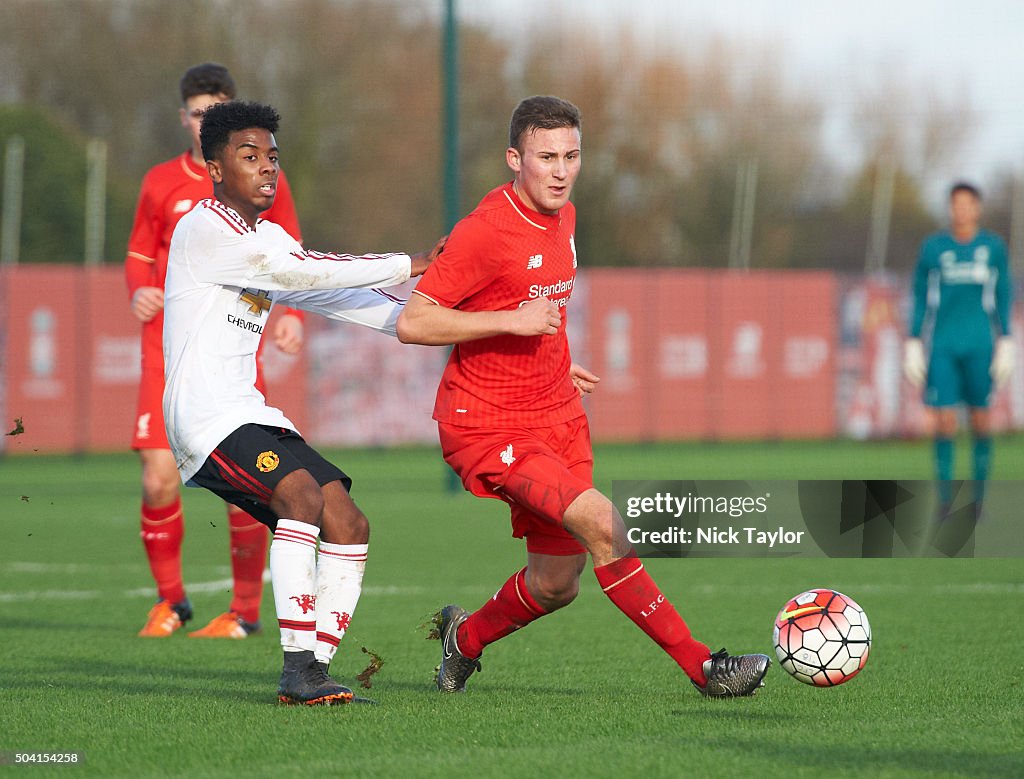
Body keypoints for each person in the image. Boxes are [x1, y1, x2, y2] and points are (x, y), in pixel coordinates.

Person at [396, 95, 770, 698]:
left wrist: (557, 364)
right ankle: (706, 668)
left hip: (557, 413)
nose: (562, 170)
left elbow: (546, 309)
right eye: (546, 157)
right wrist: (511, 324)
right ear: (514, 158)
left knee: (555, 584)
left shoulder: (565, 217)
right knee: (607, 525)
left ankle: (462, 641)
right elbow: (414, 321)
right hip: (489, 425)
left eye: (572, 156)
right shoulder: (484, 232)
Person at [163, 99, 442, 704]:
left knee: (348, 519)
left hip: (248, 412)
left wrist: (434, 323)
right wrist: (408, 262)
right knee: (300, 495)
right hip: (204, 418)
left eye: (272, 157)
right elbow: (302, 272)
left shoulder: (266, 236)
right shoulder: (203, 227)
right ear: (214, 168)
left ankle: (315, 668)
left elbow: (335, 297)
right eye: (249, 156)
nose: (267, 168)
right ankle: (298, 669)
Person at [126, 63, 307, 639]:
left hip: (233, 345)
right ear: (185, 118)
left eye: (215, 110)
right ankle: (171, 603)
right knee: (157, 480)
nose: (204, 119)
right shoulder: (160, 183)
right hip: (166, 351)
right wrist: (140, 291)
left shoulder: (260, 177)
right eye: (197, 112)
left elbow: (291, 253)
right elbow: (137, 255)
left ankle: (245, 611)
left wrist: (292, 315)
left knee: (246, 480)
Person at [904, 181, 1015, 520]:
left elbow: (1003, 293)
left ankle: (978, 501)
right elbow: (922, 294)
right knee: (944, 420)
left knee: (981, 420)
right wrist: (912, 340)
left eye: (967, 203)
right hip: (944, 345)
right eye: (956, 204)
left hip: (980, 344)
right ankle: (945, 501)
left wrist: (1006, 339)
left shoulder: (992, 247)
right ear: (950, 208)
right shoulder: (934, 247)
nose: (961, 209)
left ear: (976, 207)